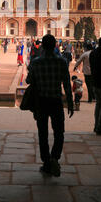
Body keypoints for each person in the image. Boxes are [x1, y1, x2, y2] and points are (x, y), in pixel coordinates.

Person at [26, 34, 74, 177]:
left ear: (42, 46)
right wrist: (70, 102)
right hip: (56, 101)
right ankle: (54, 158)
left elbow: (29, 80)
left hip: (41, 101)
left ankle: (47, 163)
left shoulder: (36, 62)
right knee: (59, 132)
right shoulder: (62, 61)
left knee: (43, 133)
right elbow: (66, 84)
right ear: (55, 46)